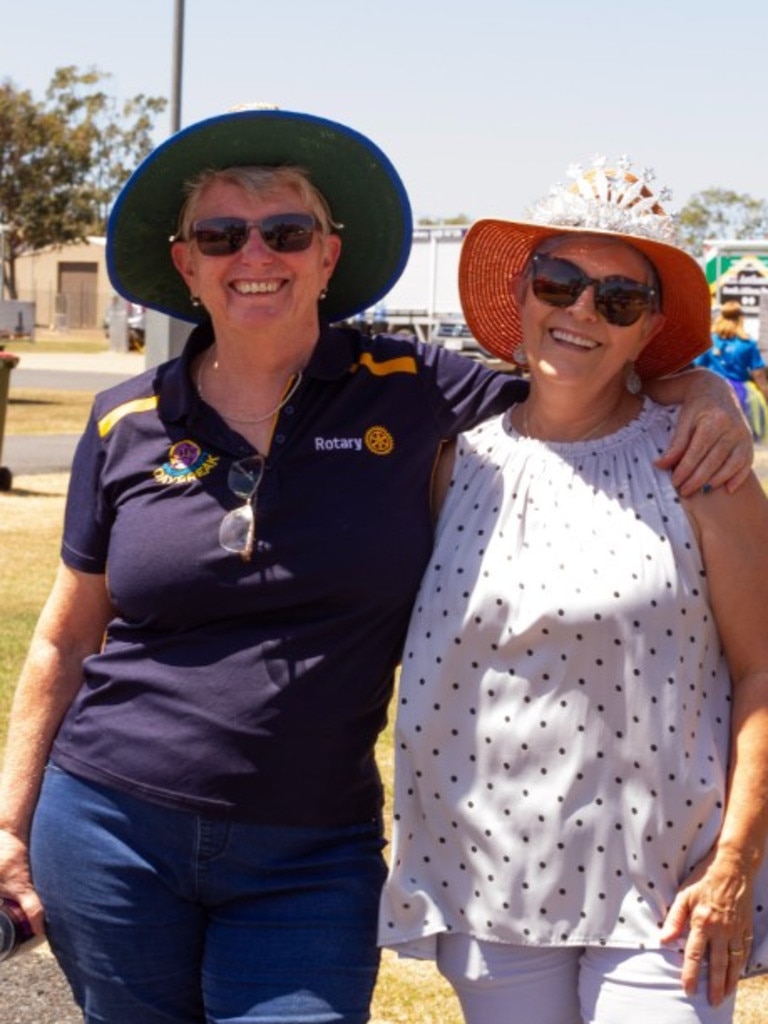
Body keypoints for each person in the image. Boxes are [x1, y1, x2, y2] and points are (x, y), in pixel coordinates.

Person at [0, 109, 752, 1024]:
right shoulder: (125, 420)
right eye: (221, 234)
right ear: (187, 264)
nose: (256, 254)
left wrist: (707, 388)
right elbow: (63, 641)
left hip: (311, 851)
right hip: (111, 827)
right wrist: (9, 824)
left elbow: (581, 376)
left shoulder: (420, 388)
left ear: (329, 255)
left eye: (286, 231)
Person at [378, 160, 768, 1024]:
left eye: (618, 300)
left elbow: (763, 671)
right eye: (561, 282)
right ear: (524, 295)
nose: (583, 311)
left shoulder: (702, 464)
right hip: (491, 880)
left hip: (673, 889)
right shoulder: (452, 459)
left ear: (649, 330)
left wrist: (736, 859)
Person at [694, 300, 768, 440]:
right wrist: (765, 394)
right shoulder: (748, 343)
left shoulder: (710, 340)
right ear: (741, 318)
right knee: (741, 436)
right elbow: (758, 373)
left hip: (712, 390)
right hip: (740, 393)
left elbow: (698, 368)